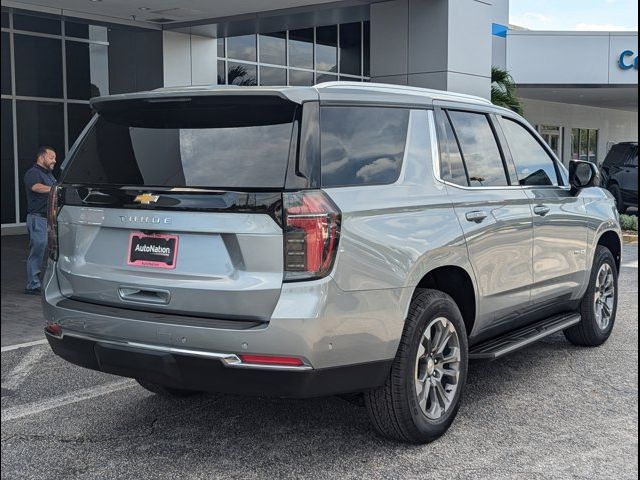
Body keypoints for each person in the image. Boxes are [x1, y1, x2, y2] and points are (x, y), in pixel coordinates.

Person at [23, 146, 57, 295]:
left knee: (53, 251)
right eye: (51, 157)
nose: (54, 161)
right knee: (37, 250)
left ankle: (50, 282)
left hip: (50, 220)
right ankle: (32, 285)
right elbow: (36, 187)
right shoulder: (33, 173)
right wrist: (56, 189)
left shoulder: (49, 175)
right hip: (38, 219)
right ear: (42, 157)